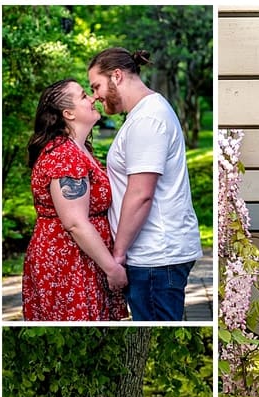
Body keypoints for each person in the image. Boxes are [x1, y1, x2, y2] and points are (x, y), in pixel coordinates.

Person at [87, 48, 202, 321]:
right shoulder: (144, 114)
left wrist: (117, 255)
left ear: (117, 76)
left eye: (96, 86)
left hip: (154, 259)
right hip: (153, 256)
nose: (95, 96)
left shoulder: (147, 119)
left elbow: (140, 194)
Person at [21, 80, 127, 320]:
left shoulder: (77, 150)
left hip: (83, 259)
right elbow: (75, 223)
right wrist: (112, 269)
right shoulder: (63, 155)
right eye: (83, 96)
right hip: (69, 262)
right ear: (68, 113)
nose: (92, 99)